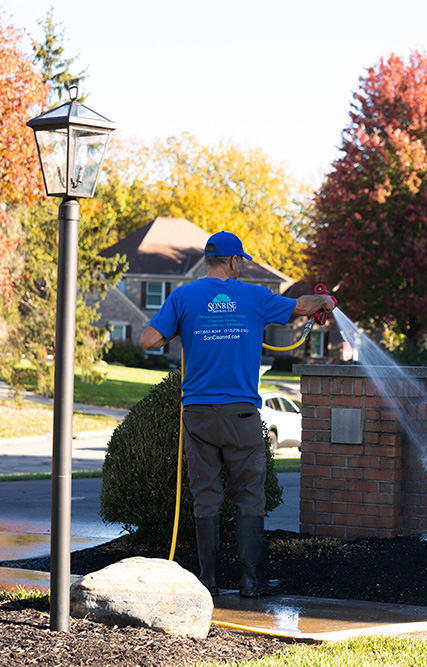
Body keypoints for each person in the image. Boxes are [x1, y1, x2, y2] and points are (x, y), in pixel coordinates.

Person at [140, 230, 336, 596]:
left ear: (208, 260)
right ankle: (250, 581)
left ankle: (208, 582)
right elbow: (302, 306)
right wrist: (324, 301)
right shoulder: (253, 296)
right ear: (233, 261)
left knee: (206, 495)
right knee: (248, 494)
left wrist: (180, 329)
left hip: (197, 413)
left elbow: (148, 340)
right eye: (240, 260)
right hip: (240, 414)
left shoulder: (183, 296)